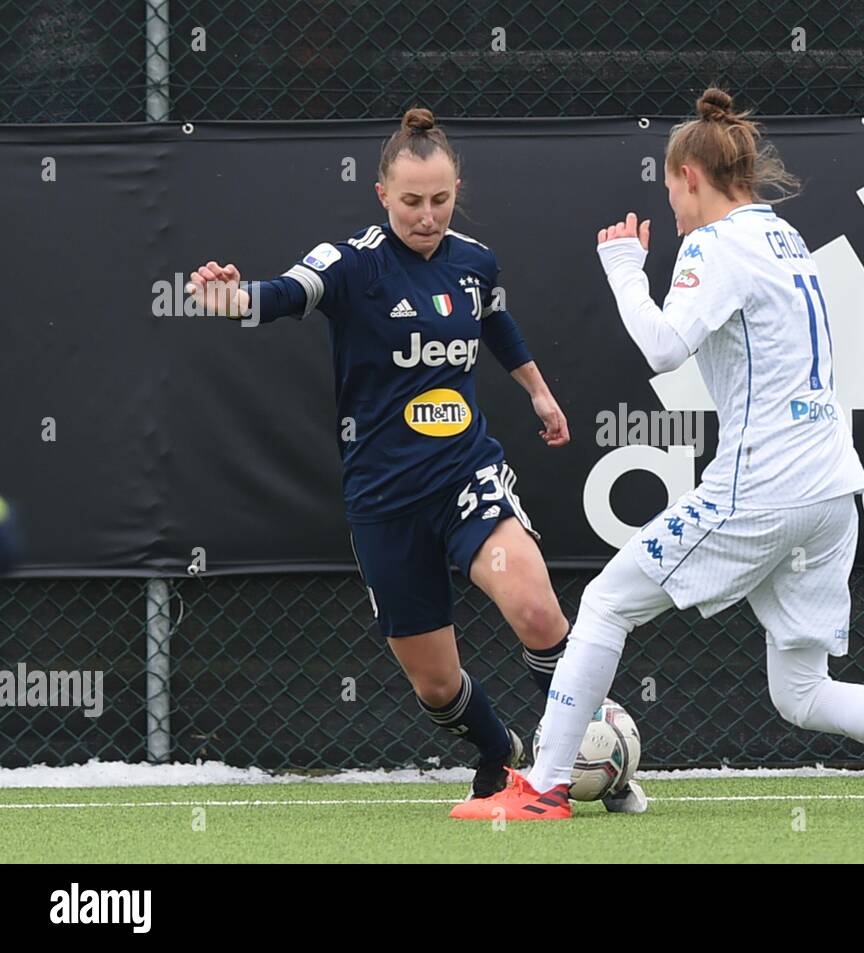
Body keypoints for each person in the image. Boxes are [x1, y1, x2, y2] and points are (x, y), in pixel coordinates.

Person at [452, 89, 864, 820]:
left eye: (670, 189)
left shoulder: (715, 243)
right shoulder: (784, 237)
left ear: (691, 175)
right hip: (831, 493)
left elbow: (665, 347)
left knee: (604, 603)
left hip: (763, 487)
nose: (671, 208)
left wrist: (624, 268)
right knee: (803, 692)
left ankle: (541, 788)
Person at [187, 108, 647, 809]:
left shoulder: (474, 260)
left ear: (457, 188)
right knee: (436, 686)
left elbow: (496, 322)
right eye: (411, 202)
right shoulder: (350, 263)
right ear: (382, 195)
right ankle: (500, 752)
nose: (427, 215)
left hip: (466, 475)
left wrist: (540, 393)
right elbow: (283, 294)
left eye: (440, 199)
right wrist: (231, 298)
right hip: (384, 497)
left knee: (535, 607)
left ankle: (582, 763)